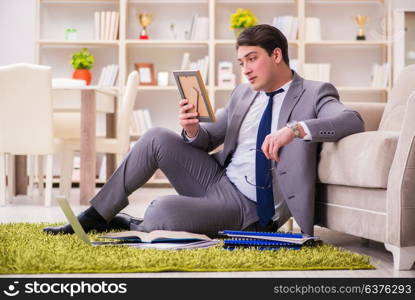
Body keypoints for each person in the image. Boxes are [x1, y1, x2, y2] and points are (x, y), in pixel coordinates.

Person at [44, 24, 364, 237]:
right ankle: (97, 215)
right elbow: (211, 137)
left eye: (252, 59)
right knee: (156, 136)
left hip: (250, 207)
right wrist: (193, 129)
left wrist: (294, 129)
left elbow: (351, 120)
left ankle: (133, 223)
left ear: (277, 55)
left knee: (161, 210)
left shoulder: (314, 92)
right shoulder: (244, 93)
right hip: (218, 179)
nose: (246, 69)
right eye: (241, 63)